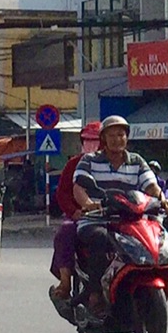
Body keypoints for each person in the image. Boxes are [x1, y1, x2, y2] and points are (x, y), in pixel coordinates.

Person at [73, 116, 162, 299]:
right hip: (98, 219)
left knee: (156, 238)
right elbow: (79, 187)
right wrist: (88, 204)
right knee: (100, 238)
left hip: (131, 220)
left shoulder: (137, 161)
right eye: (111, 135)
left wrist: (163, 200)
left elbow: (151, 186)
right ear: (103, 139)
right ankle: (95, 292)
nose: (117, 139)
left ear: (127, 137)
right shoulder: (89, 160)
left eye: (121, 134)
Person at [50, 119, 101, 301]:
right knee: (65, 231)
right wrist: (74, 211)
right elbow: (63, 194)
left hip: (113, 216)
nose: (92, 145)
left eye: (96, 140)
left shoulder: (119, 163)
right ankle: (65, 282)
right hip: (81, 216)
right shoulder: (74, 165)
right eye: (87, 140)